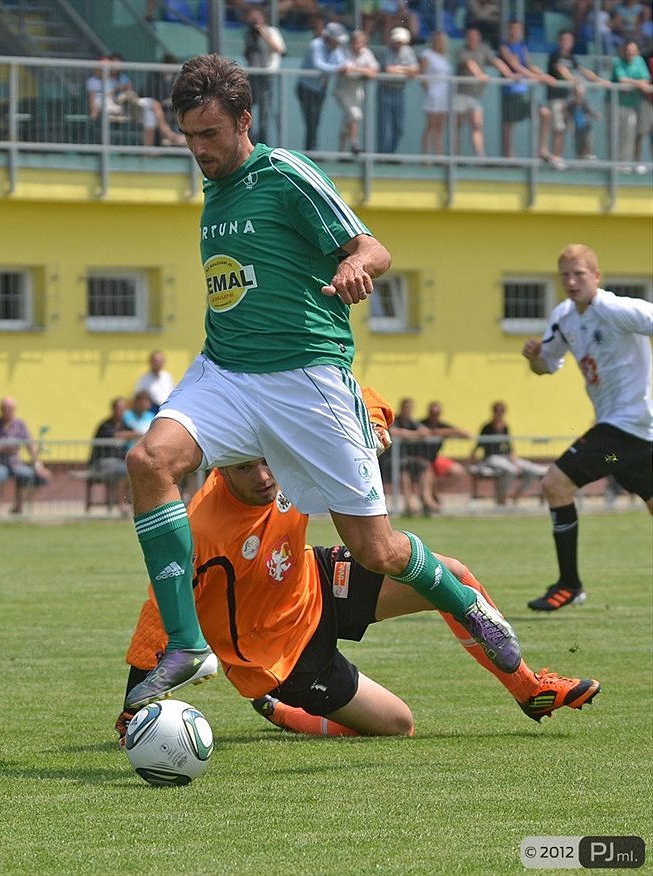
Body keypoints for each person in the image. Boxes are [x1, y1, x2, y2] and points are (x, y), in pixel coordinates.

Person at [122, 53, 522, 712]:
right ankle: (188, 647)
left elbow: (373, 248)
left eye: (210, 135)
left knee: (378, 550)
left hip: (307, 378)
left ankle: (468, 607)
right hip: (227, 370)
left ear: (244, 121)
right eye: (189, 136)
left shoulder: (284, 173)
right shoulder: (216, 187)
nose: (199, 149)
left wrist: (356, 269)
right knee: (148, 460)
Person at [115, 458, 600, 741]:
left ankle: (530, 689)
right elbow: (161, 609)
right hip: (283, 656)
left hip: (320, 579)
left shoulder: (287, 454)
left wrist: (377, 419)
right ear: (219, 464)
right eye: (247, 467)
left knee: (453, 576)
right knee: (397, 725)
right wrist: (135, 704)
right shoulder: (201, 529)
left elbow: (351, 398)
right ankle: (281, 711)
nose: (265, 476)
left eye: (267, 460)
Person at [522, 244, 653, 612]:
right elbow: (546, 366)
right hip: (630, 438)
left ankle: (569, 584)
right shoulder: (564, 315)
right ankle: (570, 584)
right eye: (565, 274)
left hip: (625, 429)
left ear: (597, 276)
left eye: (579, 273)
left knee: (555, 483)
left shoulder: (615, 308)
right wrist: (535, 358)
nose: (571, 280)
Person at [539, 29, 605, 170]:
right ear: (559, 41)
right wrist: (574, 80)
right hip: (556, 98)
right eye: (563, 40)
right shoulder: (555, 56)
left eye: (569, 40)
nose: (566, 43)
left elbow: (583, 70)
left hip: (567, 100)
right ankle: (557, 157)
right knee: (558, 128)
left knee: (570, 128)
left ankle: (566, 157)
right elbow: (562, 70)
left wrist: (598, 79)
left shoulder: (571, 57)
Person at [86, 56, 184, 148]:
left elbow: (129, 88)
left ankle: (148, 150)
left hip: (127, 104)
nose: (107, 69)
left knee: (151, 111)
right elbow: (93, 99)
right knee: (153, 106)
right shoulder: (93, 81)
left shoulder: (116, 79)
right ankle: (170, 136)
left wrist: (117, 88)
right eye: (103, 67)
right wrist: (93, 116)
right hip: (112, 107)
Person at [0, 397, 51, 515]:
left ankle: (18, 506)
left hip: (14, 463)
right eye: (5, 408)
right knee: (0, 475)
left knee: (32, 477)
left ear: (15, 409)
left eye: (10, 408)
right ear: (0, 409)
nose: (7, 410)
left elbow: (30, 445)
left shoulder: (20, 424)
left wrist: (38, 465)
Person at [470, 401, 548, 506]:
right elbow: (479, 443)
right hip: (491, 458)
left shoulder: (505, 427)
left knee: (531, 469)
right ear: (493, 412)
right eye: (497, 411)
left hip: (506, 457)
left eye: (502, 411)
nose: (499, 414)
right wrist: (473, 457)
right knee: (511, 470)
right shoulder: (486, 427)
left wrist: (514, 460)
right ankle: (502, 496)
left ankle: (518, 494)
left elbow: (509, 446)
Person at [454, 26, 514, 159]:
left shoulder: (483, 49)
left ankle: (480, 156)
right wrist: (480, 75)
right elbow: (469, 63)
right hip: (461, 94)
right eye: (470, 36)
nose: (473, 39)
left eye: (475, 36)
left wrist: (509, 74)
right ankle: (456, 157)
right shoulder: (460, 51)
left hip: (475, 96)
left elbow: (496, 61)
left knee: (477, 124)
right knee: (457, 127)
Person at [498, 19, 551, 160]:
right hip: (510, 91)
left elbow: (529, 65)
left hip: (525, 92)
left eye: (517, 29)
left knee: (545, 113)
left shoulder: (522, 47)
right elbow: (515, 66)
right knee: (509, 125)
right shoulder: (504, 46)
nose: (515, 32)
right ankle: (509, 157)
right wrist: (536, 77)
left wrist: (544, 76)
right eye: (512, 29)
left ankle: (542, 150)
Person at [296, 21, 349, 152]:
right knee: (311, 122)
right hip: (306, 89)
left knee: (315, 122)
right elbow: (318, 65)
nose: (338, 43)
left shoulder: (335, 49)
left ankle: (313, 149)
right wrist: (338, 69)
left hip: (320, 90)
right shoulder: (316, 45)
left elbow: (342, 62)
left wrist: (344, 67)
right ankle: (311, 151)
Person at [243, 5, 286, 145]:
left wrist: (262, 32)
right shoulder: (250, 35)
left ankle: (263, 140)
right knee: (248, 106)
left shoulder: (271, 31)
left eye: (256, 19)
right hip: (254, 75)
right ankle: (250, 138)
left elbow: (279, 49)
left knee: (264, 111)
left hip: (267, 75)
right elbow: (246, 54)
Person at [416, 401, 471, 506]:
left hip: (435, 458)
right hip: (422, 459)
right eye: (432, 413)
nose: (434, 415)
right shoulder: (421, 424)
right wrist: (452, 432)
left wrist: (461, 432)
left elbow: (463, 434)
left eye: (436, 413)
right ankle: (429, 500)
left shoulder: (442, 425)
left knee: (458, 471)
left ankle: (435, 492)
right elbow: (433, 432)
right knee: (428, 474)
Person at [88, 397, 137, 516]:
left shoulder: (125, 425)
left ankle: (134, 504)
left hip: (119, 462)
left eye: (123, 409)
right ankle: (122, 504)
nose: (120, 411)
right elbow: (116, 435)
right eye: (118, 408)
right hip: (101, 463)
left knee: (132, 470)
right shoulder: (105, 425)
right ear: (113, 409)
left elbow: (131, 433)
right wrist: (138, 434)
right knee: (123, 471)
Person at [334, 28, 378, 155]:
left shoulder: (366, 53)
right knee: (355, 115)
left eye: (361, 43)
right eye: (355, 42)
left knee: (347, 121)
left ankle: (341, 152)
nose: (357, 46)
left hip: (356, 91)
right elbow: (346, 71)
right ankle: (354, 143)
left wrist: (358, 70)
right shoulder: (343, 52)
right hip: (343, 90)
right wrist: (363, 71)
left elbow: (373, 72)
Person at [611, 39, 652, 171]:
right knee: (624, 135)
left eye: (632, 50)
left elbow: (645, 79)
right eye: (628, 50)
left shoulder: (639, 61)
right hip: (620, 104)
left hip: (634, 104)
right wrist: (639, 84)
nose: (630, 53)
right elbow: (623, 81)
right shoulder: (618, 61)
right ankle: (622, 165)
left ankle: (623, 164)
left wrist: (635, 83)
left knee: (629, 135)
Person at [377, 27, 419, 154]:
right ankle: (382, 155)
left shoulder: (408, 51)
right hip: (385, 91)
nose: (399, 44)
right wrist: (405, 70)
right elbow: (389, 69)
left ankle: (390, 154)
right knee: (384, 126)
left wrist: (399, 70)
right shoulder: (387, 51)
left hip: (399, 91)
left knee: (398, 127)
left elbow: (415, 69)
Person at [389, 397, 433, 515]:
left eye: (410, 408)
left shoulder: (412, 422)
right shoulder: (395, 420)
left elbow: (425, 431)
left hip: (409, 459)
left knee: (424, 466)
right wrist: (414, 434)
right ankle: (409, 501)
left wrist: (418, 433)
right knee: (404, 470)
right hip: (391, 460)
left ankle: (426, 497)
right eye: (406, 408)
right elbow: (393, 432)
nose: (408, 410)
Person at [419, 31, 452, 158]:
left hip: (444, 95)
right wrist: (428, 89)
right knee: (430, 126)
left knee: (440, 128)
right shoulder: (427, 54)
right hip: (432, 94)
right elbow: (422, 73)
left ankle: (439, 155)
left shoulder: (444, 57)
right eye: (436, 40)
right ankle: (426, 156)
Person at [565, 79, 602, 160]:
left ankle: (588, 155)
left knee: (588, 142)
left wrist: (596, 115)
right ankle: (579, 160)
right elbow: (566, 112)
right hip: (577, 128)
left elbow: (591, 111)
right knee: (578, 145)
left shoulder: (585, 103)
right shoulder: (572, 104)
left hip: (586, 127)